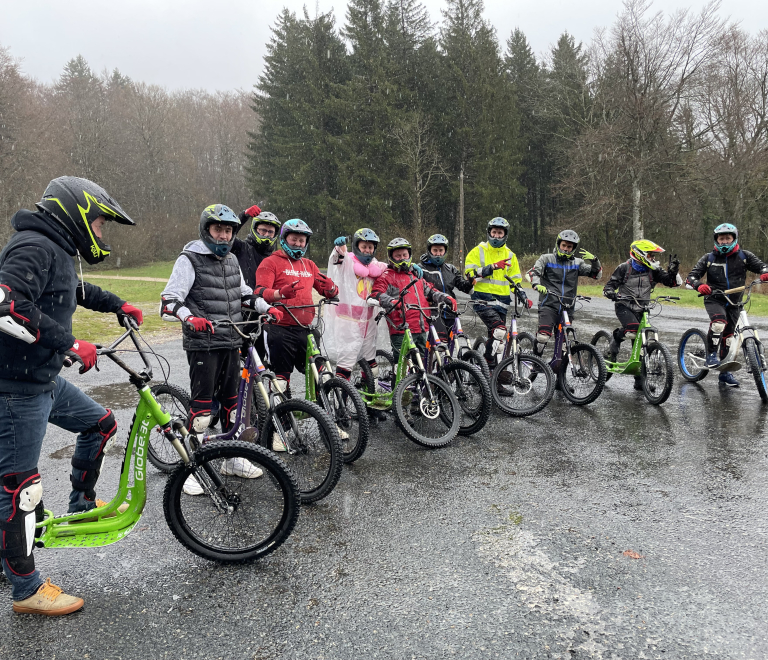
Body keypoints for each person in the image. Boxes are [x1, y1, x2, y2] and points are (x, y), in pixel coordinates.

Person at [0, 176, 144, 615]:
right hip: (15, 388)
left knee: (99, 423)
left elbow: (73, 292)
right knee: (19, 489)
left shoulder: (57, 249)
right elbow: (6, 305)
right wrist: (68, 343)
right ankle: (26, 590)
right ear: (77, 213)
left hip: (40, 379)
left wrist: (118, 303)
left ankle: (80, 501)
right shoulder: (34, 246)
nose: (101, 234)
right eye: (100, 224)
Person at [160, 204, 280, 492]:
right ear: (206, 230)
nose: (224, 236)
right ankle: (189, 470)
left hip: (231, 339)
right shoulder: (189, 259)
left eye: (228, 231)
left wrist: (267, 308)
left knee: (234, 406)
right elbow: (167, 302)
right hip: (203, 344)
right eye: (218, 229)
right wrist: (191, 318)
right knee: (201, 412)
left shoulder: (231, 262)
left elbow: (244, 295)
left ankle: (232, 459)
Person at [253, 219, 339, 423]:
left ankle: (329, 423)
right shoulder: (270, 262)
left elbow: (327, 289)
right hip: (279, 329)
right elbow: (258, 292)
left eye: (302, 240)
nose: (298, 244)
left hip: (306, 329)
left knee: (322, 374)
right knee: (281, 381)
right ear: (284, 239)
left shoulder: (309, 264)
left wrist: (332, 288)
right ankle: (280, 428)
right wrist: (279, 294)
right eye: (294, 239)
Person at [686, 223, 768, 387]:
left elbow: (762, 266)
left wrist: (765, 272)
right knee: (718, 323)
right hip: (714, 298)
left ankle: (725, 373)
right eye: (721, 238)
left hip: (735, 300)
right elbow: (691, 277)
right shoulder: (709, 258)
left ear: (734, 238)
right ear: (716, 240)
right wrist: (699, 285)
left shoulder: (744, 256)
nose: (724, 241)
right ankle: (711, 355)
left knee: (730, 338)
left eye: (727, 238)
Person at [325, 229, 388, 419]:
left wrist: (410, 267)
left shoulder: (376, 266)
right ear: (356, 247)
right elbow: (336, 259)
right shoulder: (348, 261)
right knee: (346, 365)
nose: (367, 251)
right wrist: (338, 248)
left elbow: (392, 268)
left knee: (371, 364)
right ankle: (339, 406)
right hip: (348, 321)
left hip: (369, 321)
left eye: (370, 247)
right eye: (364, 247)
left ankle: (370, 403)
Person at [603, 240, 679, 390]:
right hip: (624, 305)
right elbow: (609, 286)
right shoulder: (624, 268)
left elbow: (672, 283)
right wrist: (611, 293)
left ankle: (639, 380)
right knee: (632, 330)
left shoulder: (653, 270)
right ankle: (617, 337)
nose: (654, 258)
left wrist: (673, 272)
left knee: (639, 343)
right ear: (640, 254)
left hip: (642, 308)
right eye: (651, 255)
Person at [368, 238, 457, 367]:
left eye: (405, 255)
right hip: (401, 329)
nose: (402, 259)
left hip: (420, 327)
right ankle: (398, 386)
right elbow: (376, 294)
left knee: (422, 364)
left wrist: (445, 298)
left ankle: (422, 385)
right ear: (391, 257)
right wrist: (393, 302)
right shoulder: (387, 276)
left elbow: (431, 291)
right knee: (401, 366)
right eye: (398, 256)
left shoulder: (415, 275)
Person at [464, 217, 528, 367]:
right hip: (482, 301)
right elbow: (469, 275)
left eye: (500, 233)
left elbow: (515, 281)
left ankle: (490, 376)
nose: (496, 236)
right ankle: (487, 364)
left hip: (502, 304)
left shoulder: (511, 255)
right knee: (499, 331)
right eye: (494, 232)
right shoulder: (478, 251)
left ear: (505, 234)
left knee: (498, 344)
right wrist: (491, 267)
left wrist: (522, 294)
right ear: (489, 233)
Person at [529, 229, 602, 357]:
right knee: (543, 338)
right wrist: (536, 284)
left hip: (567, 307)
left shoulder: (577, 263)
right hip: (548, 305)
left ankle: (559, 372)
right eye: (563, 245)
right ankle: (535, 360)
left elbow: (597, 275)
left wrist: (595, 261)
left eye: (569, 247)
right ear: (558, 244)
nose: (566, 249)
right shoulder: (546, 259)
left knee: (564, 344)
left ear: (573, 248)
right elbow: (533, 272)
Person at [231, 205, 282, 359]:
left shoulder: (276, 256)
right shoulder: (241, 247)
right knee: (238, 355)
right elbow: (227, 234)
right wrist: (243, 215)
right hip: (243, 310)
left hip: (265, 310)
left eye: (270, 232)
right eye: (263, 230)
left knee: (261, 358)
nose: (266, 234)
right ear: (255, 229)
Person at [419, 234, 475, 341]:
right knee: (441, 340)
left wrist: (470, 283)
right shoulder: (421, 269)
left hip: (450, 311)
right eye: (435, 250)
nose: (438, 254)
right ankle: (431, 356)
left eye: (441, 250)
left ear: (445, 251)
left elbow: (463, 286)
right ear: (429, 251)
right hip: (432, 311)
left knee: (453, 341)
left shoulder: (451, 269)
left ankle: (448, 358)